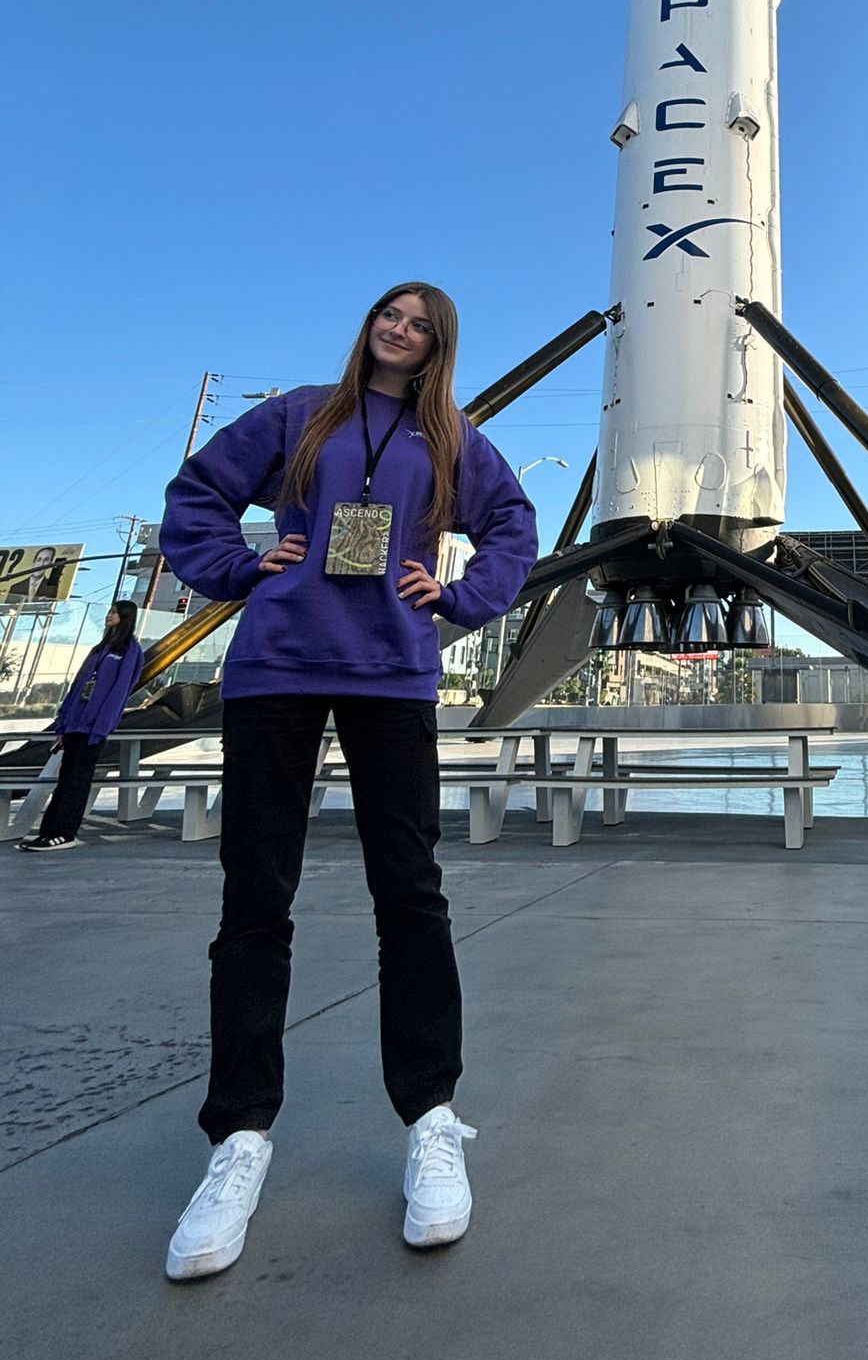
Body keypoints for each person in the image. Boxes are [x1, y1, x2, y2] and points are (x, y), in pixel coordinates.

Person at [155, 282, 537, 1281]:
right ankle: (237, 1138)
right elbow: (196, 493)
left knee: (410, 892)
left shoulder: (453, 437)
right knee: (254, 897)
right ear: (371, 324)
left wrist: (457, 598)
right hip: (277, 667)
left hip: (393, 671)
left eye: (422, 323)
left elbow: (514, 525)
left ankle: (432, 1118)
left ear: (438, 344)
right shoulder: (298, 414)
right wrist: (243, 567)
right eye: (390, 314)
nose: (401, 330)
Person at [18, 598, 144, 852]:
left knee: (78, 779)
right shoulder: (100, 649)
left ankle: (65, 832)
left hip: (93, 727)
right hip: (75, 724)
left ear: (126, 617)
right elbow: (78, 686)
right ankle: (49, 831)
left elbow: (119, 692)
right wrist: (63, 724)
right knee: (65, 778)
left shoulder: (129, 650)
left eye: (114, 613)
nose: (109, 616)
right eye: (109, 611)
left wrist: (102, 726)